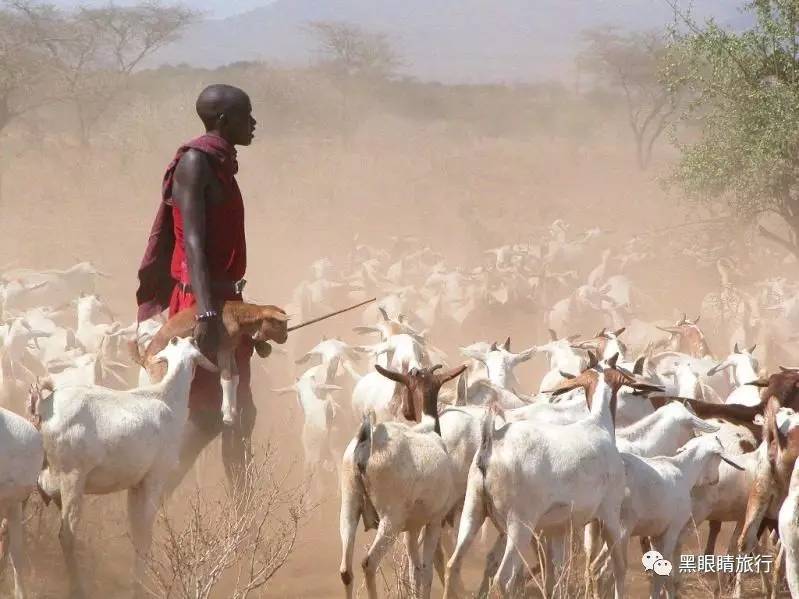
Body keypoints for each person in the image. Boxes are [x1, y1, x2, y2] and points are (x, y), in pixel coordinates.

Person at [135, 84, 259, 493]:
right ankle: (152, 498)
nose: (254, 123)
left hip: (225, 301)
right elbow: (193, 241)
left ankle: (244, 519)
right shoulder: (195, 163)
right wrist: (207, 312)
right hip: (199, 301)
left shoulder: (221, 164)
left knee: (241, 412)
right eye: (246, 116)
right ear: (223, 121)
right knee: (207, 414)